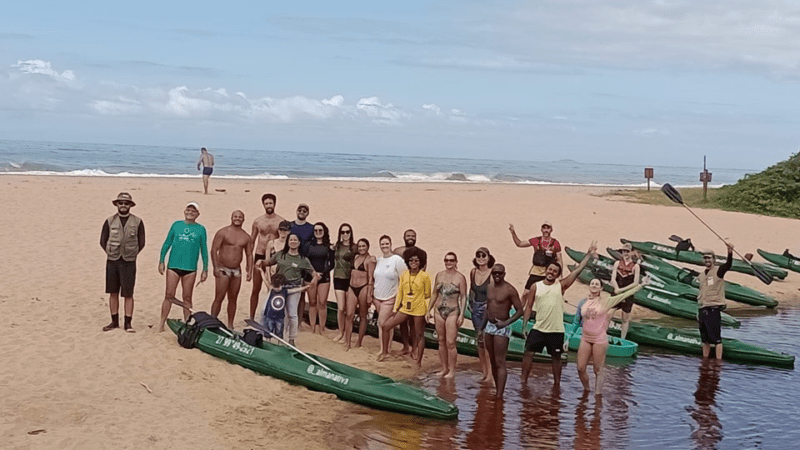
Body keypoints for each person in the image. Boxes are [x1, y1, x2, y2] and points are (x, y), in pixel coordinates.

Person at [521, 241, 597, 387]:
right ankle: (523, 382)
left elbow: (577, 271)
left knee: (556, 358)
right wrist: (524, 325)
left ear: (557, 274)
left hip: (556, 331)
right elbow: (529, 306)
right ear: (545, 271)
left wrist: (588, 255)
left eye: (555, 271)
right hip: (538, 329)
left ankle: (557, 385)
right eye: (549, 270)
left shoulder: (561, 286)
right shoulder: (535, 286)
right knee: (528, 354)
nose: (551, 272)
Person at [572, 276, 648, 394]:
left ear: (601, 288)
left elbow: (624, 295)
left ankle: (598, 395)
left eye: (597, 284)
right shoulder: (583, 302)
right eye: (592, 283)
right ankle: (586, 390)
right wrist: (569, 337)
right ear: (589, 286)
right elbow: (576, 321)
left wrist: (641, 286)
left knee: (598, 370)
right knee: (580, 368)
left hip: (599, 339)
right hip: (585, 338)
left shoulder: (606, 301)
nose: (594, 285)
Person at [258, 233, 319, 346]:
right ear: (287, 242)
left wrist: (314, 280)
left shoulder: (303, 259)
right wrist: (261, 262)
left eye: (295, 240)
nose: (293, 242)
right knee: (266, 310)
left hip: (293, 288)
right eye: (291, 240)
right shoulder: (280, 254)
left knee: (291, 314)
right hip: (278, 288)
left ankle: (291, 339)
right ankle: (266, 334)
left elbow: (313, 272)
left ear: (299, 242)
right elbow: (269, 262)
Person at [158, 202, 209, 332]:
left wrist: (205, 269)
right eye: (188, 210)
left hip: (190, 269)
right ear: (184, 211)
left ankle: (187, 323)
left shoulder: (201, 229)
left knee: (187, 297)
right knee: (169, 295)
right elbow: (167, 243)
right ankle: (161, 323)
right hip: (173, 266)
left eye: (193, 211)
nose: (190, 212)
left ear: (198, 214)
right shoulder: (176, 225)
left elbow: (204, 249)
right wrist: (161, 260)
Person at [100, 192, 145, 332]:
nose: (123, 205)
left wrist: (132, 253)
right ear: (117, 205)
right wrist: (110, 252)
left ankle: (128, 323)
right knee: (113, 292)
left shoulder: (138, 222)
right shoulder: (109, 221)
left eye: (126, 203)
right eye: (121, 203)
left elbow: (142, 242)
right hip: (112, 261)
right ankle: (114, 322)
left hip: (129, 261)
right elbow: (103, 240)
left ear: (130, 205)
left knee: (128, 294)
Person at [380, 247, 431, 369]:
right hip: (405, 308)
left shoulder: (424, 276)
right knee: (386, 326)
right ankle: (385, 352)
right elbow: (400, 293)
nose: (413, 263)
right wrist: (395, 309)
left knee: (419, 335)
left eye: (416, 261)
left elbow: (428, 295)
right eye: (411, 260)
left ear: (421, 262)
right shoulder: (404, 275)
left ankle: (418, 361)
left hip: (418, 309)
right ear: (408, 261)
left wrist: (427, 311)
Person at [483, 263, 524, 399]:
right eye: (494, 273)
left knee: (500, 361)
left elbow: (520, 311)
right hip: (489, 326)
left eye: (499, 273)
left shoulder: (510, 290)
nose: (497, 275)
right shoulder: (489, 287)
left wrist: (506, 323)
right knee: (492, 360)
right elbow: (487, 308)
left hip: (502, 327)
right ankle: (497, 389)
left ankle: (500, 396)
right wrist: (481, 328)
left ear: (504, 274)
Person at [210, 210, 253, 328]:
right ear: (231, 217)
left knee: (233, 298)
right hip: (223, 269)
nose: (237, 218)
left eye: (240, 217)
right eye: (235, 216)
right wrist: (215, 267)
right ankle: (212, 321)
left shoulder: (246, 236)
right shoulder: (223, 232)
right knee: (219, 297)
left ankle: (230, 324)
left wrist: (249, 270)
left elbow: (249, 254)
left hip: (237, 271)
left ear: (243, 219)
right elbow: (214, 250)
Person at [429, 252, 468, 379]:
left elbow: (463, 297)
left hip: (452, 310)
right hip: (438, 310)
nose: (449, 262)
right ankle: (444, 368)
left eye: (451, 260)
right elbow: (434, 293)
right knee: (441, 341)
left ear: (456, 262)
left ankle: (451, 370)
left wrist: (462, 314)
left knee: (450, 342)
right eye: (446, 260)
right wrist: (428, 309)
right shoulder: (439, 275)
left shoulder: (460, 278)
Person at [508, 221, 564, 308]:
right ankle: (519, 311)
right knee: (526, 293)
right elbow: (519, 244)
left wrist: (560, 274)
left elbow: (559, 259)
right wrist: (513, 233)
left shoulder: (555, 243)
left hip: (548, 272)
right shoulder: (536, 240)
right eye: (544, 228)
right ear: (541, 229)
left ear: (551, 230)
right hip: (536, 271)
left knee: (546, 295)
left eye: (548, 228)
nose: (546, 230)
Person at [249, 194, 284, 320]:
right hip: (259, 255)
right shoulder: (258, 221)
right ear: (263, 204)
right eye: (266, 203)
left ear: (275, 204)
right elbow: (251, 241)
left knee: (273, 287)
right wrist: (249, 263)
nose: (269, 205)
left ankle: (272, 315)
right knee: (256, 288)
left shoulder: (280, 221)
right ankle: (252, 317)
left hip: (274, 257)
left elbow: (283, 240)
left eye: (271, 203)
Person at [393, 229, 427, 356]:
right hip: (400, 287)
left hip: (413, 291)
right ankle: (405, 346)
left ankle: (414, 348)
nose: (410, 238)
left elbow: (422, 272)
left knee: (413, 321)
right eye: (408, 236)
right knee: (402, 321)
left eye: (413, 236)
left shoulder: (421, 253)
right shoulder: (397, 251)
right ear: (404, 237)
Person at [696, 245, 733, 360]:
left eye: (709, 258)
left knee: (716, 339)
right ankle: (705, 360)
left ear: (714, 259)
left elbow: (728, 265)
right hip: (703, 309)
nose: (707, 260)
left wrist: (730, 252)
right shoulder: (701, 276)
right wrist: (698, 311)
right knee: (705, 339)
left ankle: (718, 362)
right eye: (705, 258)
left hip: (713, 309)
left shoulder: (718, 271)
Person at [374, 235, 407, 360]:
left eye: (387, 244)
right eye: (382, 244)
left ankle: (383, 350)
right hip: (377, 297)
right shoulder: (379, 260)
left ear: (391, 244)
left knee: (382, 323)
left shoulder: (397, 260)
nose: (384, 246)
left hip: (391, 297)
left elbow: (404, 279)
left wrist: (401, 298)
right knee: (385, 325)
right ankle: (386, 348)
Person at [256, 272, 310, 341]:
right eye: (275, 287)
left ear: (282, 285)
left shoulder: (285, 291)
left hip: (280, 317)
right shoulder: (271, 289)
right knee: (268, 332)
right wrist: (261, 271)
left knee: (279, 333)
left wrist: (305, 287)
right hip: (269, 315)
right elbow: (265, 280)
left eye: (278, 286)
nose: (277, 289)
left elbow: (295, 290)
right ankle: (268, 342)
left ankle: (279, 343)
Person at [469, 247, 495, 382]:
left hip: (486, 309)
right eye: (478, 256)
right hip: (475, 309)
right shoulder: (473, 272)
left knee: (486, 341)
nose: (481, 258)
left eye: (483, 256)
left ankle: (490, 374)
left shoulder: (492, 273)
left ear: (488, 258)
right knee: (479, 341)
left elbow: (494, 294)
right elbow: (471, 290)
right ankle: (484, 372)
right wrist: (470, 304)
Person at [345, 238, 376, 350]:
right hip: (352, 287)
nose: (361, 248)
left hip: (363, 287)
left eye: (364, 246)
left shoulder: (370, 260)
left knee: (363, 315)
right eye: (360, 246)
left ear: (368, 247)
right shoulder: (356, 257)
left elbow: (371, 278)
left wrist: (369, 294)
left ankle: (359, 342)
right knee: (349, 314)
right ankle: (347, 342)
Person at [304, 222, 334, 335]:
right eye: (316, 230)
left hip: (324, 277)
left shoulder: (328, 246)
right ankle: (313, 327)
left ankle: (322, 328)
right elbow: (305, 261)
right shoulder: (308, 245)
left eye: (320, 230)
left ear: (324, 231)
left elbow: (332, 263)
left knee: (322, 303)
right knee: (312, 302)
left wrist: (322, 273)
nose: (318, 233)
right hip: (310, 277)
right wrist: (313, 273)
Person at [610, 242, 641, 340]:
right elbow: (613, 278)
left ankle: (622, 339)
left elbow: (635, 283)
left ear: (631, 252)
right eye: (624, 251)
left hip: (627, 294)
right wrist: (616, 288)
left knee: (625, 318)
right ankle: (603, 335)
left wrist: (622, 290)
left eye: (627, 251)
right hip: (616, 291)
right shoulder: (617, 263)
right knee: (608, 314)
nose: (625, 253)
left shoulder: (636, 267)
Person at [290, 203, 314, 329]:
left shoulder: (311, 228)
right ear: (296, 211)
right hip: (290, 261)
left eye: (305, 210)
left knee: (301, 294)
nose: (302, 212)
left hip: (303, 263)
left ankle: (298, 322)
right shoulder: (290, 225)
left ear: (307, 213)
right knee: (286, 291)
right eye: (300, 209)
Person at [332, 224, 355, 342]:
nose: (345, 234)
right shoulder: (337, 246)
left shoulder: (354, 247)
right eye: (343, 232)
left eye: (347, 232)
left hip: (350, 280)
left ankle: (347, 334)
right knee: (341, 308)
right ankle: (341, 332)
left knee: (348, 309)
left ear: (351, 233)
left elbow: (363, 257)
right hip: (338, 277)